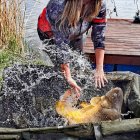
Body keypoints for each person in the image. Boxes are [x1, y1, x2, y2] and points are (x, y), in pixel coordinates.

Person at [37, 0, 108, 96]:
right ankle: (60, 97)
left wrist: (99, 69)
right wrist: (68, 76)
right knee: (63, 72)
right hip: (50, 35)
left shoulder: (99, 5)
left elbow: (99, 37)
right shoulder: (58, 4)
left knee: (78, 64)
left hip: (76, 34)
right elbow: (61, 46)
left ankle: (78, 93)